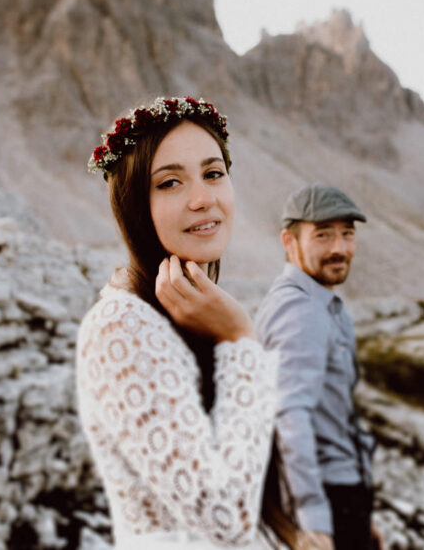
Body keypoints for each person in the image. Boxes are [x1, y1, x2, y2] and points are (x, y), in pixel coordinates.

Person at [75, 97, 285, 548]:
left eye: (213, 174)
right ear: (133, 206)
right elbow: (225, 519)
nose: (202, 199)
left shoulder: (190, 313)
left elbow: (245, 466)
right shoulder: (121, 327)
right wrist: (240, 340)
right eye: (169, 182)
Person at [255, 184, 381, 550]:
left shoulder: (318, 304)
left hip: (343, 500)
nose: (339, 248)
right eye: (323, 235)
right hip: (328, 500)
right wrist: (315, 522)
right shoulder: (301, 311)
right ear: (288, 241)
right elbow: (290, 416)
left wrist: (362, 517)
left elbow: (333, 418)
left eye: (347, 234)